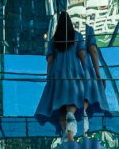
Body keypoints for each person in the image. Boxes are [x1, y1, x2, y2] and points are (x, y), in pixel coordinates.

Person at [35, 11, 109, 139]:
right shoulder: (78, 36)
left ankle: (69, 138)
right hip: (74, 72)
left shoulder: (53, 41)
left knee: (61, 108)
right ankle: (75, 117)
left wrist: (49, 79)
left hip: (57, 77)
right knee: (76, 100)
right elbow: (82, 56)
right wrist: (90, 73)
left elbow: (50, 61)